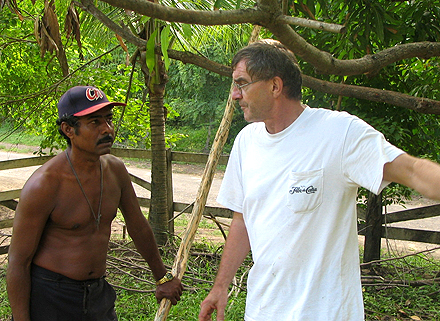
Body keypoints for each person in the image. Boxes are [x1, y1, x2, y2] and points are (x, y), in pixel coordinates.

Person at [199, 40, 440, 321]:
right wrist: (220, 286)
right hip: (263, 311)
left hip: (327, 313)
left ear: (275, 86)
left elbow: (410, 171)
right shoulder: (246, 143)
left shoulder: (339, 132)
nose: (234, 95)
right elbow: (242, 220)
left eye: (241, 84)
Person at [6, 86, 183, 321]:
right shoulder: (45, 185)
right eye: (94, 122)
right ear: (69, 129)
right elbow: (19, 261)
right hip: (52, 296)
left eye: (108, 119)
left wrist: (162, 278)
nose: (107, 130)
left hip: (98, 295)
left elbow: (138, 226)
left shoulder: (115, 171)